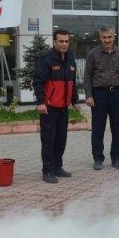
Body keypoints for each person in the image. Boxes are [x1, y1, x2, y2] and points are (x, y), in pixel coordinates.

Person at [33, 29, 79, 184]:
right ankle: (47, 171)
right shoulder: (46, 59)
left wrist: (74, 101)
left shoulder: (71, 58)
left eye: (66, 41)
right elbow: (38, 82)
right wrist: (40, 102)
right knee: (48, 140)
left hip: (64, 107)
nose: (64, 44)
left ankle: (58, 167)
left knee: (61, 139)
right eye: (61, 41)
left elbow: (72, 82)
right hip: (49, 107)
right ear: (54, 42)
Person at [84, 26, 119, 170]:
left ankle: (116, 158)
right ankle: (98, 159)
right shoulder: (93, 54)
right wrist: (88, 95)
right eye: (104, 37)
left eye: (109, 37)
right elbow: (87, 75)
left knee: (117, 128)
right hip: (99, 94)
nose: (107, 40)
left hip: (118, 93)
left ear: (114, 37)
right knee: (98, 128)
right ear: (100, 37)